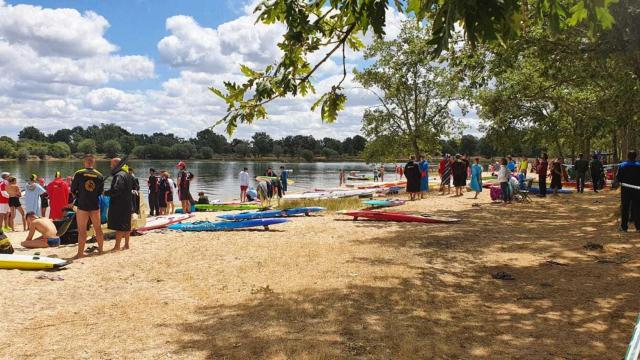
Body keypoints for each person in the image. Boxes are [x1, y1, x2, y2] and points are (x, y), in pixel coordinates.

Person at [70, 154, 105, 259]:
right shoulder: (99, 175)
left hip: (82, 205)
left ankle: (80, 254)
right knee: (98, 229)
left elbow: (72, 189)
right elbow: (100, 192)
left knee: (82, 231)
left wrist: (78, 195)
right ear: (93, 162)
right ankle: (101, 251)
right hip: (94, 205)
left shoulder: (79, 173)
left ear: (85, 162)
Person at [105, 158, 134, 251]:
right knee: (126, 224)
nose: (110, 167)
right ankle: (126, 244)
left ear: (116, 165)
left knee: (119, 225)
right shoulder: (127, 174)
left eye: (111, 165)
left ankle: (117, 246)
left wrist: (104, 193)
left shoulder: (119, 176)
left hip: (119, 203)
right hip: (127, 202)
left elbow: (116, 190)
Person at [616, 151, 640, 232]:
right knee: (637, 207)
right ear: (635, 157)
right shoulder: (639, 165)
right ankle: (638, 227)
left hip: (625, 190)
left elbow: (618, 178)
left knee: (625, 208)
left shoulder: (622, 165)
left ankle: (624, 227)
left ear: (627, 156)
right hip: (637, 190)